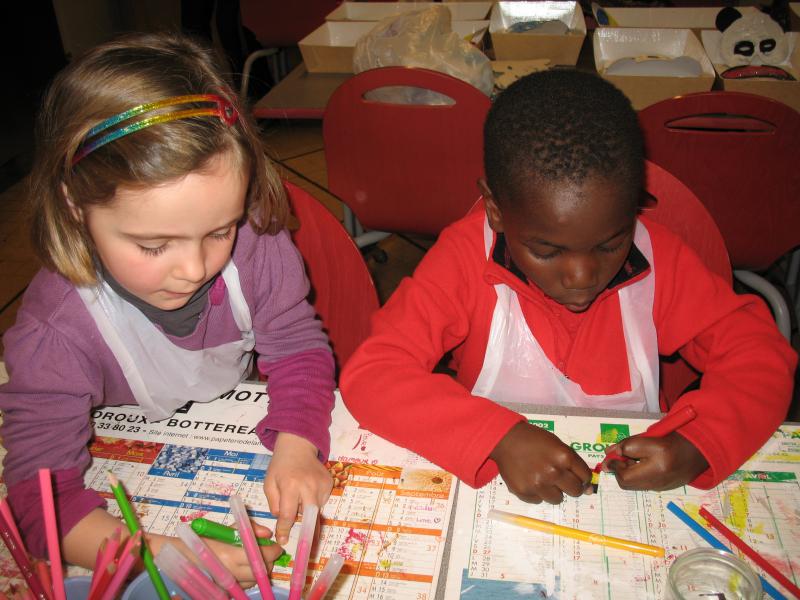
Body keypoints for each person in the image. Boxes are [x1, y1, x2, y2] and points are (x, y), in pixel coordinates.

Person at [340, 70, 796, 505]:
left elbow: (759, 354)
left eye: (610, 244)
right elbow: (374, 374)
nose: (582, 276)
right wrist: (496, 437)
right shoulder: (463, 260)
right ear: (496, 210)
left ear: (633, 207)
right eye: (547, 250)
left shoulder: (663, 261)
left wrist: (702, 439)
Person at [0, 32, 335, 582]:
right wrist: (163, 557)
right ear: (74, 205)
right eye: (154, 246)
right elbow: (40, 501)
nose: (195, 268)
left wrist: (298, 445)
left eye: (219, 231)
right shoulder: (57, 329)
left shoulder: (256, 242)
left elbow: (297, 347)